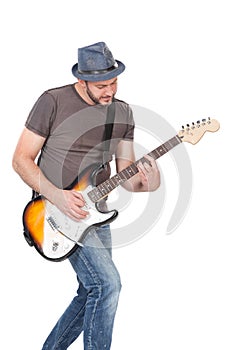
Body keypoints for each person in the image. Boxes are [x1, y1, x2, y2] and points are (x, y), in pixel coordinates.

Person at [12, 42, 160, 350]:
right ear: (82, 81)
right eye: (102, 85)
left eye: (114, 82)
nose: (110, 91)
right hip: (55, 212)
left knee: (91, 291)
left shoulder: (122, 112)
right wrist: (59, 196)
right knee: (107, 285)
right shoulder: (52, 101)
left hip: (97, 214)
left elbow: (128, 176)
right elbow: (21, 159)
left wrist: (150, 180)